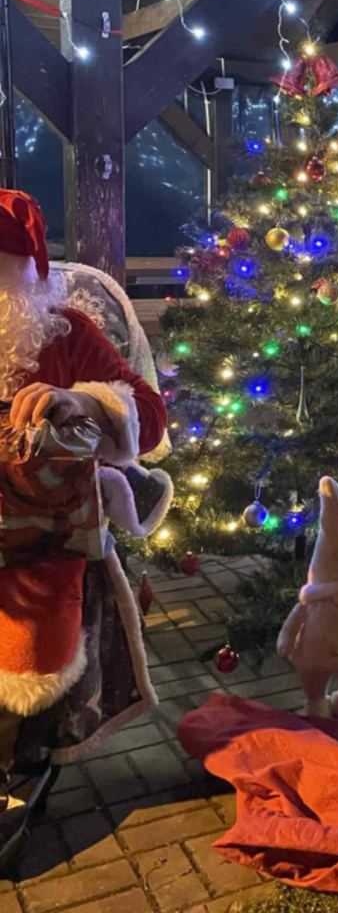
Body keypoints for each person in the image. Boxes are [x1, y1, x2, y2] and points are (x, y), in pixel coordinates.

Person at [0, 189, 167, 870]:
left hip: (40, 540)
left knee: (32, 640)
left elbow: (149, 418)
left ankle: (16, 767)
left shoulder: (66, 332)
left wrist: (85, 403)